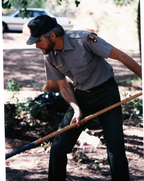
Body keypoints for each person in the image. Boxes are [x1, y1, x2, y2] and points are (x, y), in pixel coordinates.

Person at [26, 15, 142, 181]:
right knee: (58, 148)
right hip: (80, 97)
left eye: (39, 41)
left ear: (52, 35)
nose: (37, 46)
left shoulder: (84, 39)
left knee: (115, 150)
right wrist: (76, 108)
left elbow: (122, 57)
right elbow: (64, 86)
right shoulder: (49, 56)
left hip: (106, 94)